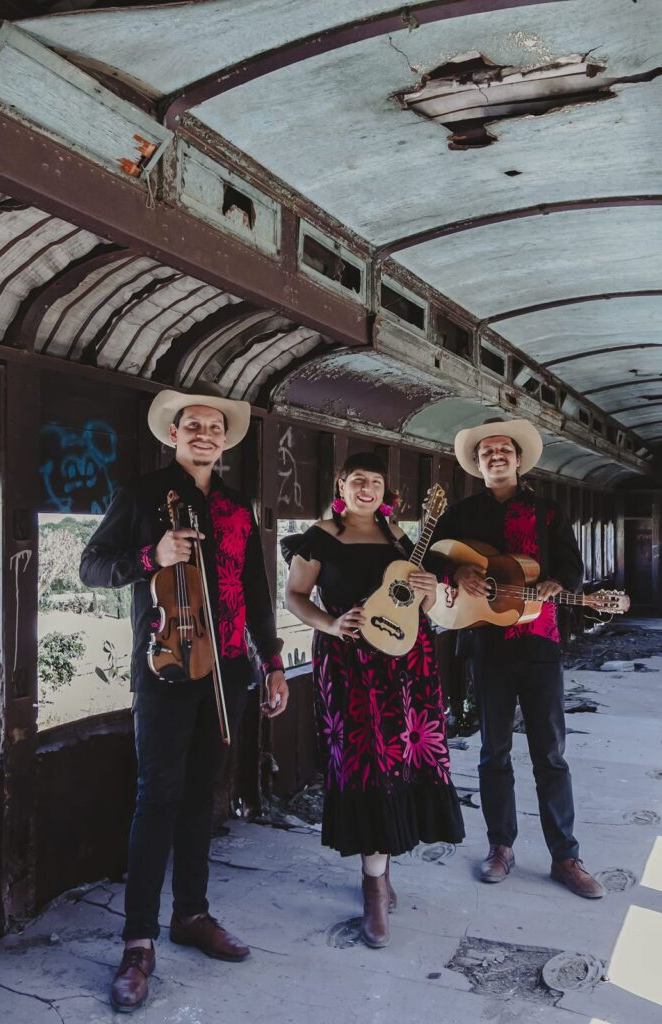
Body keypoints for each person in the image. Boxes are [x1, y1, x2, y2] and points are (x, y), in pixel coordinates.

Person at [80, 386, 288, 1012]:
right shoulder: (141, 495)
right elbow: (92, 566)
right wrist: (154, 554)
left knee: (202, 797)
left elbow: (256, 589)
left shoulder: (237, 507)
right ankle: (138, 942)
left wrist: (274, 663)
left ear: (224, 440)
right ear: (173, 434)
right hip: (166, 667)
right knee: (156, 798)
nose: (204, 434)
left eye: (214, 427)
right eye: (192, 425)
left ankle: (191, 915)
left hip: (229, 670)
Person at [282, 452, 464, 949]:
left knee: (401, 763)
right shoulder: (318, 537)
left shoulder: (400, 537)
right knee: (367, 765)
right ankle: (374, 886)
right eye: (358, 480)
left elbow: (422, 603)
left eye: (376, 482)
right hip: (351, 664)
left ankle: (382, 869)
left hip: (408, 666)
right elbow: (294, 595)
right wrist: (330, 623)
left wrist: (428, 590)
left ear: (386, 492)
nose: (367, 488)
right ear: (341, 486)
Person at [429, 418, 604, 899]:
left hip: (540, 641)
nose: (496, 456)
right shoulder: (461, 514)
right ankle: (500, 847)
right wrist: (456, 572)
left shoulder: (548, 512)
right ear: (478, 463)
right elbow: (428, 558)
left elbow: (572, 566)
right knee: (494, 751)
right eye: (487, 451)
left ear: (519, 459)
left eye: (503, 449)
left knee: (550, 753)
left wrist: (558, 583)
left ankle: (565, 856)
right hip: (486, 644)